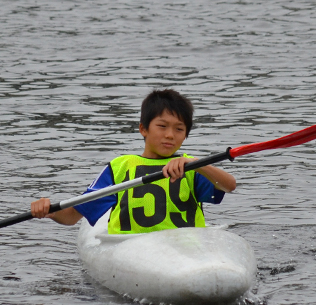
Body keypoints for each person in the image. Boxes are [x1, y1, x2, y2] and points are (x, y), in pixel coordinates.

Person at [30, 89, 236, 233]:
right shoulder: (120, 167)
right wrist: (50, 211)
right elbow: (73, 216)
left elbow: (229, 186)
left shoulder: (192, 167)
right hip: (135, 251)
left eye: (179, 129)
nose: (170, 135)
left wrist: (197, 164)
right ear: (143, 129)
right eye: (162, 126)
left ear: (185, 135)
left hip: (184, 251)